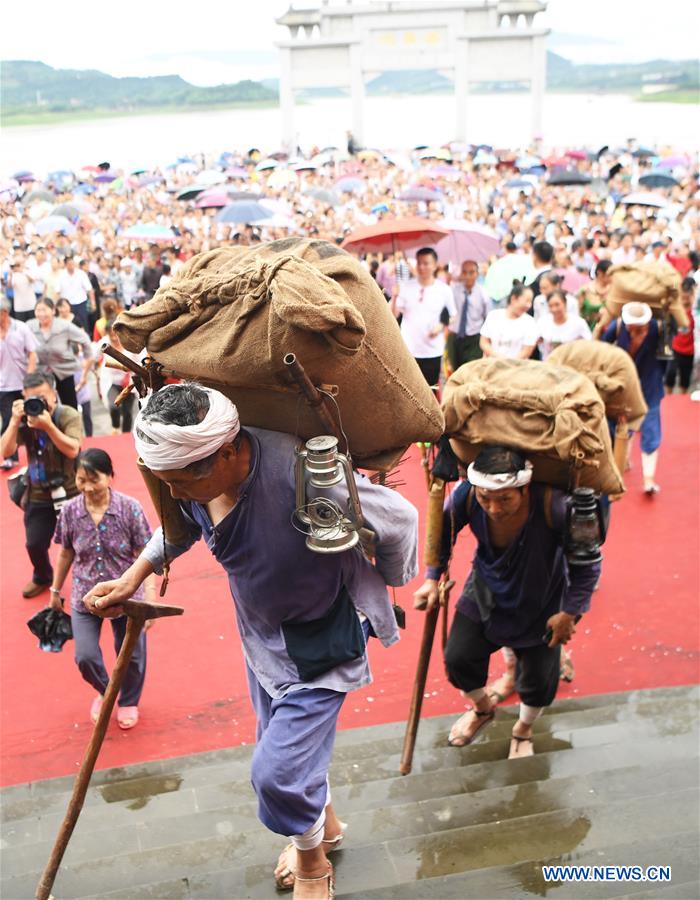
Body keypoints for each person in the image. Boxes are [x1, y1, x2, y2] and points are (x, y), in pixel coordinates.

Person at [82, 383, 418, 900]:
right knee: (287, 749)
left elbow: (400, 521)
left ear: (227, 452)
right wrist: (134, 577)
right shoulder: (197, 481)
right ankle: (324, 825)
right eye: (165, 482)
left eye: (179, 482)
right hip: (260, 637)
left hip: (322, 641)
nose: (173, 493)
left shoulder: (298, 473)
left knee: (277, 775)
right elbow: (179, 527)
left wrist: (387, 578)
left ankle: (311, 862)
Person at [413, 445, 600, 758]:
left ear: (525, 488)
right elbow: (441, 530)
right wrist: (432, 579)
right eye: (486, 498)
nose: (494, 508)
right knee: (459, 659)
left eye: (504, 498)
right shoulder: (467, 496)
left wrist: (569, 613)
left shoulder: (557, 506)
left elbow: (588, 565)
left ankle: (523, 729)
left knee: (540, 680)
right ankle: (483, 710)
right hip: (485, 588)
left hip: (543, 597)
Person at [50, 448, 155, 729]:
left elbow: (148, 554)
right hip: (86, 597)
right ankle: (107, 692)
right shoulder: (71, 511)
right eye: (81, 480)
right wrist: (54, 590)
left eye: (93, 479)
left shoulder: (129, 509)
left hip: (126, 596)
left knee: (131, 655)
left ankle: (129, 700)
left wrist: (151, 601)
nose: (86, 487)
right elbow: (65, 553)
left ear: (110, 476)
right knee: (84, 656)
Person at [0, 370, 83, 598]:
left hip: (72, 488)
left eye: (42, 398)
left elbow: (73, 449)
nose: (37, 404)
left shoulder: (68, 415)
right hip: (38, 490)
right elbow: (5, 451)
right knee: (34, 544)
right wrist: (15, 421)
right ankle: (42, 576)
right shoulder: (25, 419)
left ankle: (88, 578)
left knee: (81, 541)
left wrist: (48, 427)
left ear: (54, 395)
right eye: (31, 399)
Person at [602, 302, 665, 494]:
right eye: (633, 327)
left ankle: (648, 479)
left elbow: (668, 354)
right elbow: (602, 349)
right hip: (624, 387)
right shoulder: (618, 327)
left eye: (641, 328)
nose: (636, 330)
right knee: (622, 425)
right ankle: (622, 463)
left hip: (649, 386)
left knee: (651, 428)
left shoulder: (657, 328)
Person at [391, 247, 456, 392]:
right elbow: (393, 315)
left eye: (426, 263)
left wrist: (440, 326)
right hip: (408, 350)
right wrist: (394, 297)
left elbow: (453, 315)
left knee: (429, 391)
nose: (422, 267)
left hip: (432, 351)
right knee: (407, 391)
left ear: (434, 265)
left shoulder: (444, 290)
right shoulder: (406, 287)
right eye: (419, 263)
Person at [28, 298, 94, 410]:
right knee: (44, 407)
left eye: (44, 310)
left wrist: (86, 360)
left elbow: (85, 340)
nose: (41, 314)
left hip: (64, 372)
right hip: (41, 374)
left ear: (53, 310)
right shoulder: (30, 326)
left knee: (69, 406)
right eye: (38, 310)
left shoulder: (64, 326)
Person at [0, 298, 38, 469]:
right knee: (9, 420)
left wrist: (28, 380)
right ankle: (10, 456)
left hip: (24, 383)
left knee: (33, 418)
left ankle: (38, 452)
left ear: (5, 313)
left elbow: (32, 354)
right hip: (4, 386)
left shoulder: (21, 328)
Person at [447, 259, 491, 370]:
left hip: (474, 338)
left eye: (471, 272)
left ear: (477, 273)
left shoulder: (483, 293)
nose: (468, 276)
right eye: (464, 272)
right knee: (455, 370)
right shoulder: (453, 290)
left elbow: (488, 318)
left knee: (471, 370)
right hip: (455, 336)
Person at [97, 321, 138, 433]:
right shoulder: (104, 343)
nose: (114, 338)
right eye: (111, 336)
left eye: (116, 335)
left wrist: (131, 376)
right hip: (112, 381)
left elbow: (140, 361)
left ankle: (125, 434)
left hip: (129, 382)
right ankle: (115, 427)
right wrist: (95, 372)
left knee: (127, 412)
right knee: (113, 406)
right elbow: (93, 358)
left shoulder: (129, 342)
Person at [479, 282, 538, 359]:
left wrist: (509, 362)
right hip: (492, 364)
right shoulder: (493, 316)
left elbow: (527, 350)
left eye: (530, 302)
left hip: (517, 366)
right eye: (527, 301)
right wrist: (497, 357)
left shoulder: (530, 322)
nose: (529, 305)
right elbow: (484, 342)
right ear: (514, 299)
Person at [537, 289, 592, 360]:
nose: (554, 309)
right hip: (548, 364)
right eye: (550, 306)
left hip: (571, 363)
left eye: (557, 305)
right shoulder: (543, 321)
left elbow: (589, 344)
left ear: (565, 304)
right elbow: (534, 340)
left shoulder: (578, 323)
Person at [664, 277, 696, 395]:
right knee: (670, 374)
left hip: (690, 350)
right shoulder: (676, 308)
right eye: (683, 297)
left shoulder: (695, 311)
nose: (685, 300)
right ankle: (668, 398)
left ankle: (682, 402)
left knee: (685, 379)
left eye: (688, 297)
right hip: (676, 347)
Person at [55, 256, 95, 332]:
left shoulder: (81, 273)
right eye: (69, 264)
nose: (72, 266)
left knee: (84, 324)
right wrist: (58, 306)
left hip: (81, 303)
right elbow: (57, 292)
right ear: (66, 265)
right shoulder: (61, 275)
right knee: (70, 325)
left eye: (73, 264)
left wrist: (93, 303)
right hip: (68, 306)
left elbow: (90, 289)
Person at [578, 259, 612, 331]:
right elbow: (578, 313)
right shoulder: (585, 290)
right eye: (609, 274)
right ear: (600, 273)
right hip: (589, 330)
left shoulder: (613, 290)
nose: (611, 277)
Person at [9, 257, 37, 322]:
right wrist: (11, 276)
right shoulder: (13, 275)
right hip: (19, 307)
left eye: (18, 264)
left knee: (33, 325)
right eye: (15, 265)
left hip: (31, 305)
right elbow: (10, 286)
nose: (16, 266)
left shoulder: (28, 271)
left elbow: (32, 280)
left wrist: (23, 272)